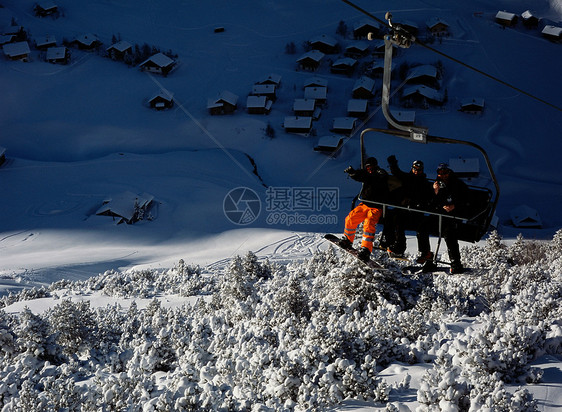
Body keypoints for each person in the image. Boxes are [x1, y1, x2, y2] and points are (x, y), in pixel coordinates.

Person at [417, 163, 469, 273]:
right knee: (422, 228)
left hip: (451, 217)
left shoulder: (458, 185)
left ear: (449, 172)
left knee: (449, 235)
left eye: (444, 173)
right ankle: (427, 255)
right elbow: (429, 203)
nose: (442, 175)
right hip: (437, 216)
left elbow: (467, 201)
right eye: (440, 173)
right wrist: (435, 192)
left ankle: (456, 263)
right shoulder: (436, 185)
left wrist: (454, 206)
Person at [338, 157, 389, 262]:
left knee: (369, 223)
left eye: (371, 167)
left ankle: (366, 248)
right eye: (367, 167)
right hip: (365, 204)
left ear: (375, 166)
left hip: (376, 206)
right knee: (350, 218)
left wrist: (360, 174)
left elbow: (374, 177)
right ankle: (348, 239)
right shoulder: (366, 174)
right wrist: (353, 173)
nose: (369, 169)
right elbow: (361, 176)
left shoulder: (380, 174)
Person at [382, 156, 433, 257]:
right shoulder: (408, 178)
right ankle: (397, 245)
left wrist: (418, 203)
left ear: (422, 170)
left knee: (421, 227)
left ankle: (425, 253)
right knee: (395, 219)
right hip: (405, 209)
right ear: (412, 168)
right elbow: (397, 172)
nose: (416, 172)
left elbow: (428, 197)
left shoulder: (425, 183)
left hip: (417, 210)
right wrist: (393, 164)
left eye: (419, 170)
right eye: (415, 169)